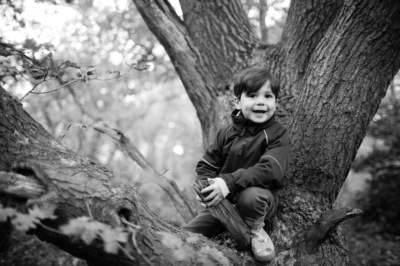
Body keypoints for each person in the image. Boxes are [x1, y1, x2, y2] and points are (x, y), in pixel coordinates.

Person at [183, 66, 291, 262]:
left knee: (251, 197)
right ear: (238, 101)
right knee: (184, 235)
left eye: (268, 96)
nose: (261, 102)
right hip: (224, 202)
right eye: (252, 95)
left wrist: (227, 182)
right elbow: (207, 165)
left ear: (276, 101)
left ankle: (256, 230)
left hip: (260, 197)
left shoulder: (278, 133)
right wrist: (206, 188)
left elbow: (271, 170)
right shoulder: (226, 134)